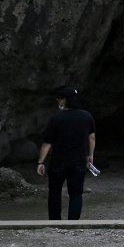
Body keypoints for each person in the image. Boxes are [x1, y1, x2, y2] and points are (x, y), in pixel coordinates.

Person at [36, 86, 96, 220]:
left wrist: (41, 162)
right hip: (79, 161)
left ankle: (55, 220)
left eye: (60, 99)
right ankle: (73, 222)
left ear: (64, 100)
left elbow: (47, 143)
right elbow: (91, 137)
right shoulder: (87, 116)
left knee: (55, 192)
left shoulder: (56, 118)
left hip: (59, 161)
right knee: (76, 193)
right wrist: (90, 155)